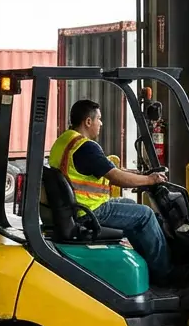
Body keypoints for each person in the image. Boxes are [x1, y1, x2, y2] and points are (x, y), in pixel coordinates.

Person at [48, 99, 171, 279]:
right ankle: (165, 272)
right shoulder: (86, 147)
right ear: (88, 122)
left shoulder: (65, 141)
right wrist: (150, 180)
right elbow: (116, 177)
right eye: (99, 119)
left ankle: (147, 263)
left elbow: (105, 168)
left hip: (75, 208)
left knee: (129, 204)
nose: (101, 123)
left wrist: (139, 173)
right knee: (145, 214)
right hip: (89, 212)